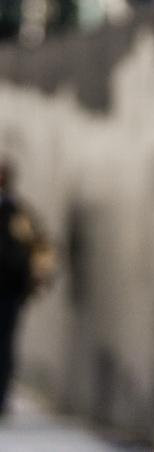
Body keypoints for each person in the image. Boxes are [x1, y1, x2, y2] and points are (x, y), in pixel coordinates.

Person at [0, 160, 54, 415]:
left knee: (4, 345)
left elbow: (39, 248)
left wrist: (34, 279)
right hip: (10, 290)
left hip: (8, 292)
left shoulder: (17, 214)